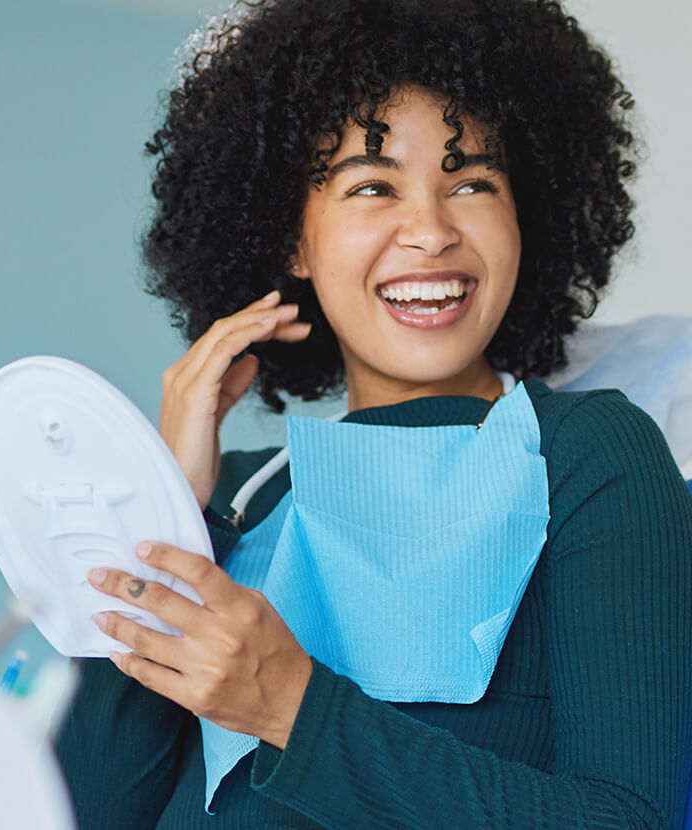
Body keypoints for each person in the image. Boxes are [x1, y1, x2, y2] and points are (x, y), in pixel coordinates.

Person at [54, 0, 692, 827]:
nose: (430, 231)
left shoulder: (589, 458)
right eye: (371, 185)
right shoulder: (238, 505)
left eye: (472, 182)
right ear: (295, 240)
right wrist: (168, 504)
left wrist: (292, 707)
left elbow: (630, 818)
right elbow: (83, 813)